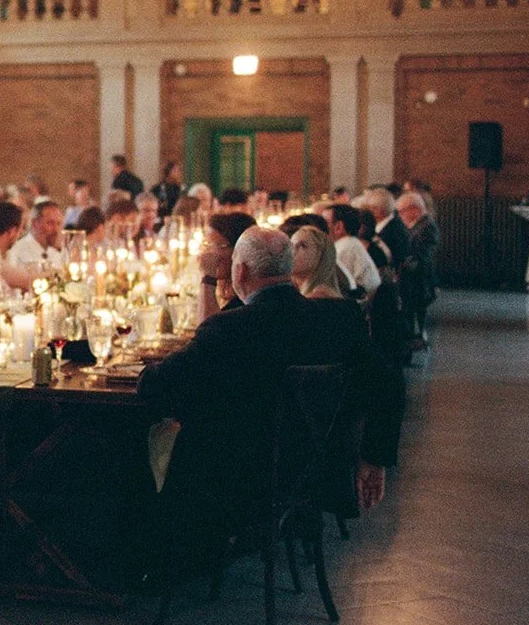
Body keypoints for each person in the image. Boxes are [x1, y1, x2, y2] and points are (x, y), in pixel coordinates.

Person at [140, 228, 404, 540]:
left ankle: (152, 553)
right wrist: (373, 459)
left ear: (240, 271)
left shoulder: (228, 329)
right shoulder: (340, 317)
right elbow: (389, 382)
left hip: (232, 475)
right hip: (312, 472)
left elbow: (153, 387)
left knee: (141, 434)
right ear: (288, 268)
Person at [196, 211, 257, 324]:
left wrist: (208, 278)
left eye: (217, 246)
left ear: (239, 250)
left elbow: (208, 333)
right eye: (206, 244)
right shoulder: (225, 292)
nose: (207, 253)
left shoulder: (246, 298)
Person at [397, 191, 438, 345]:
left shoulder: (426, 227)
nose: (400, 215)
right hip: (416, 278)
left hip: (420, 280)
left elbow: (421, 256)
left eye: (402, 211)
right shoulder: (418, 225)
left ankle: (416, 340)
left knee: (415, 314)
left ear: (414, 209)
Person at [326, 203, 380, 296]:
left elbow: (334, 289)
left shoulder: (344, 248)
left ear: (338, 227)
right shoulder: (350, 243)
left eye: (324, 222)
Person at [292, 225, 347, 299]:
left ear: (322, 255)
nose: (292, 251)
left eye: (303, 246)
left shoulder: (319, 297)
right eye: (291, 245)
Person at [9, 198, 65, 270]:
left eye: (59, 223)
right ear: (34, 223)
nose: (56, 230)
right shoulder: (17, 252)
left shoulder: (59, 252)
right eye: (50, 223)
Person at [361, 186, 408, 270]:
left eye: (372, 208)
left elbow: (387, 257)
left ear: (381, 209)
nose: (369, 211)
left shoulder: (394, 229)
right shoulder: (386, 223)